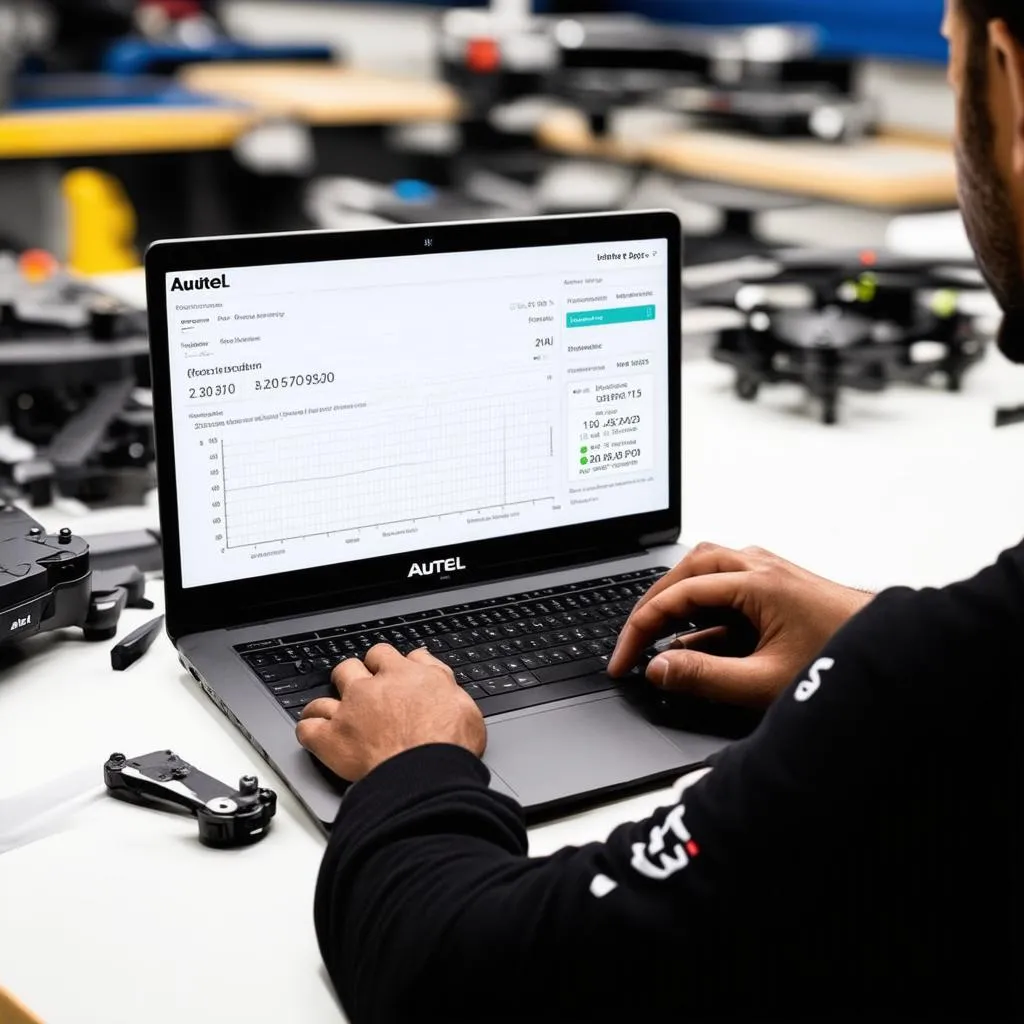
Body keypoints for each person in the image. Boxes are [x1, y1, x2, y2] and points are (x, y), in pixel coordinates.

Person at [297, 2, 1023, 1020]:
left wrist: (414, 767)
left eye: (949, 58)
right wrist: (877, 639)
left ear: (1007, 78)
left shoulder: (937, 693)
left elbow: (462, 976)